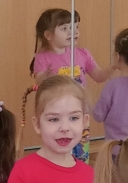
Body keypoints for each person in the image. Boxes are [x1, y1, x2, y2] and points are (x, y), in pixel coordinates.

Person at [30, 8, 111, 163]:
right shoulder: (43, 58)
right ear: (48, 35)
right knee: (58, 147)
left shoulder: (83, 54)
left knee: (81, 147)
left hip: (78, 111)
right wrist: (46, 76)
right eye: (64, 28)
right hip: (56, 113)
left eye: (75, 27)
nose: (73, 32)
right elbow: (40, 82)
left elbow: (99, 76)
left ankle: (79, 168)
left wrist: (114, 67)